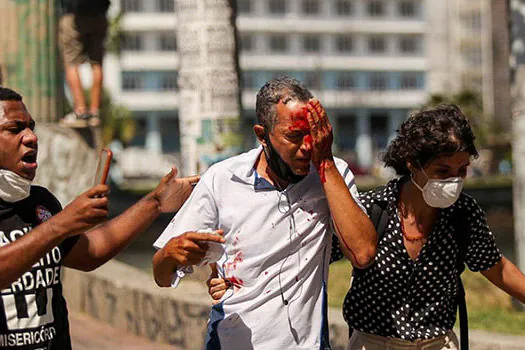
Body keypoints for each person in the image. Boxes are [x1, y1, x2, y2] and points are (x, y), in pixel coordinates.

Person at [208, 104, 525, 349]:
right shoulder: (371, 210)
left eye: (462, 170)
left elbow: (498, 269)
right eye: (442, 170)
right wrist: (232, 278)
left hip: (437, 342)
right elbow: (301, 261)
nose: (453, 181)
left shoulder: (463, 214)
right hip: (372, 343)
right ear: (413, 163)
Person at [152, 76, 377, 349]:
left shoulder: (330, 173)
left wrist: (326, 162)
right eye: (293, 136)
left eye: (312, 135)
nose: (307, 147)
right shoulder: (223, 179)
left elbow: (363, 252)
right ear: (262, 135)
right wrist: (169, 253)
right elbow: (162, 276)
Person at [0, 87, 223, 350]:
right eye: (15, 129)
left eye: (31, 127)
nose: (31, 138)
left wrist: (155, 202)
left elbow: (90, 253)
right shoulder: (53, 220)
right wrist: (62, 224)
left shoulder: (40, 203)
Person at [58, 0, 111, 127]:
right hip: (99, 13)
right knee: (97, 63)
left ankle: (80, 111)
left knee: (71, 64)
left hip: (73, 14)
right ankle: (94, 112)